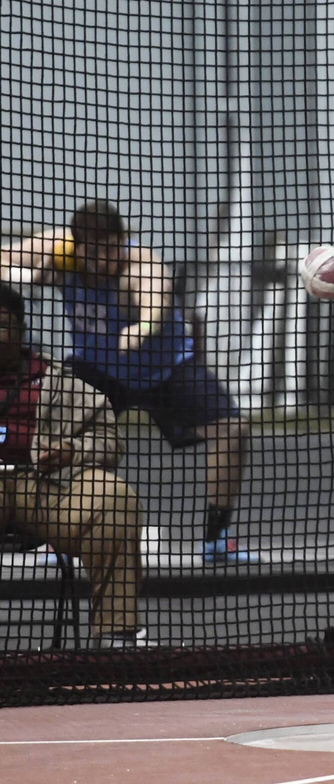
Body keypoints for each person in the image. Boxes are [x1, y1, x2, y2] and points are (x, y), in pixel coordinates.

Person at [0, 202, 255, 565]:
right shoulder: (59, 250)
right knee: (58, 434)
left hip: (166, 372)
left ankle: (216, 539)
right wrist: (31, 275)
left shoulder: (141, 266)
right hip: (97, 370)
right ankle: (60, 536)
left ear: (122, 241)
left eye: (111, 249)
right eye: (94, 252)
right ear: (78, 247)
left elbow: (157, 299)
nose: (104, 260)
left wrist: (142, 327)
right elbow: (4, 259)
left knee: (233, 430)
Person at [0, 282, 147, 647]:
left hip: (42, 489)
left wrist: (72, 451)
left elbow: (111, 443)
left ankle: (116, 636)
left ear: (20, 329)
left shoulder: (58, 382)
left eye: (0, 325)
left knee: (112, 498)